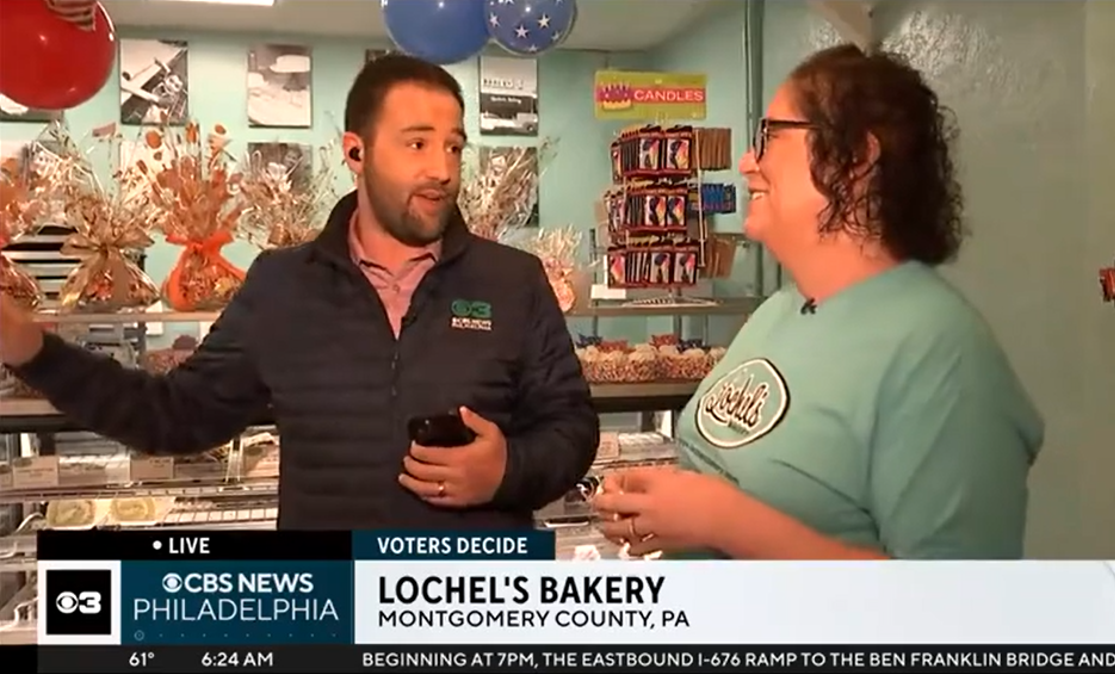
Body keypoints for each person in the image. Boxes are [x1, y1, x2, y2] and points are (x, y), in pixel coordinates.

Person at [0, 53, 600, 530]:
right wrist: (34, 350)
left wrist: (508, 470)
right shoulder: (283, 285)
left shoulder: (512, 281)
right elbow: (173, 418)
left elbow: (571, 426)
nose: (442, 169)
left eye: (453, 146)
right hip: (328, 613)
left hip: (476, 611)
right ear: (355, 153)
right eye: (417, 143)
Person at [594, 44, 1044, 560]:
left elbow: (959, 612)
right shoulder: (778, 311)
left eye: (769, 138)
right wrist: (668, 504)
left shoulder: (944, 356)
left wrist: (722, 520)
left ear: (854, 159)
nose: (747, 163)